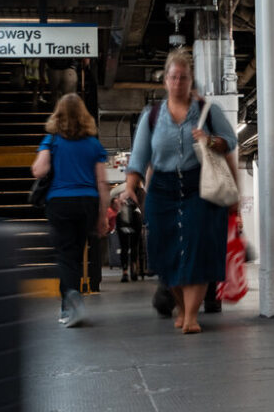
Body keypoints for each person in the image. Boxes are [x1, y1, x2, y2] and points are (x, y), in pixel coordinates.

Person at [122, 50, 238, 334]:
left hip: (199, 185)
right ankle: (183, 309)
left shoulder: (208, 110)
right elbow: (139, 156)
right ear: (165, 81)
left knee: (197, 248)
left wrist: (210, 141)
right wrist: (130, 187)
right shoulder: (151, 116)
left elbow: (231, 142)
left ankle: (191, 316)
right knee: (165, 252)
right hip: (162, 188)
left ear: (190, 80)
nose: (177, 83)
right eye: (173, 77)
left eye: (183, 77)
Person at [31, 93, 110, 328]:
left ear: (58, 114)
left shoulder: (52, 141)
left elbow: (39, 170)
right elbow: (103, 184)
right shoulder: (94, 144)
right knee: (75, 253)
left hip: (60, 202)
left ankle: (72, 299)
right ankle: (68, 304)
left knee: (65, 254)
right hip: (87, 202)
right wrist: (103, 216)